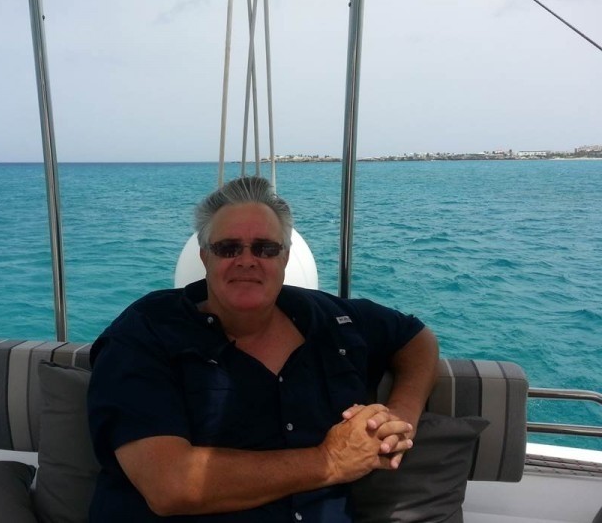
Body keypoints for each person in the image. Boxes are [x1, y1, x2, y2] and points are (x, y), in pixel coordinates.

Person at [87, 175, 439, 522]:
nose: (247, 260)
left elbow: (415, 337)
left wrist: (401, 416)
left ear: (285, 257)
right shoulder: (146, 332)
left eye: (265, 248)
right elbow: (170, 484)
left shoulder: (332, 320)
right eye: (228, 248)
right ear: (205, 257)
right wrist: (330, 460)